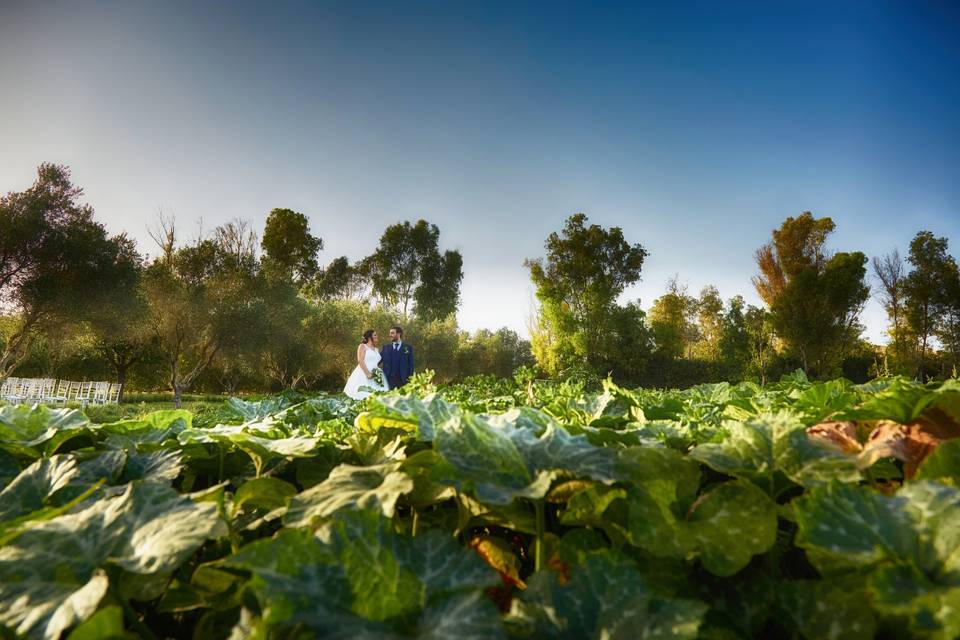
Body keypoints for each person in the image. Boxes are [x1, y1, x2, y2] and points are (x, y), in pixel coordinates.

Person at [343, 329, 389, 400]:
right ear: (369, 337)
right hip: (364, 373)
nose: (377, 336)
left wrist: (377, 373)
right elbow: (360, 361)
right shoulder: (362, 346)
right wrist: (367, 373)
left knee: (378, 395)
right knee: (363, 394)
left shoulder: (376, 349)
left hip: (376, 374)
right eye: (375, 335)